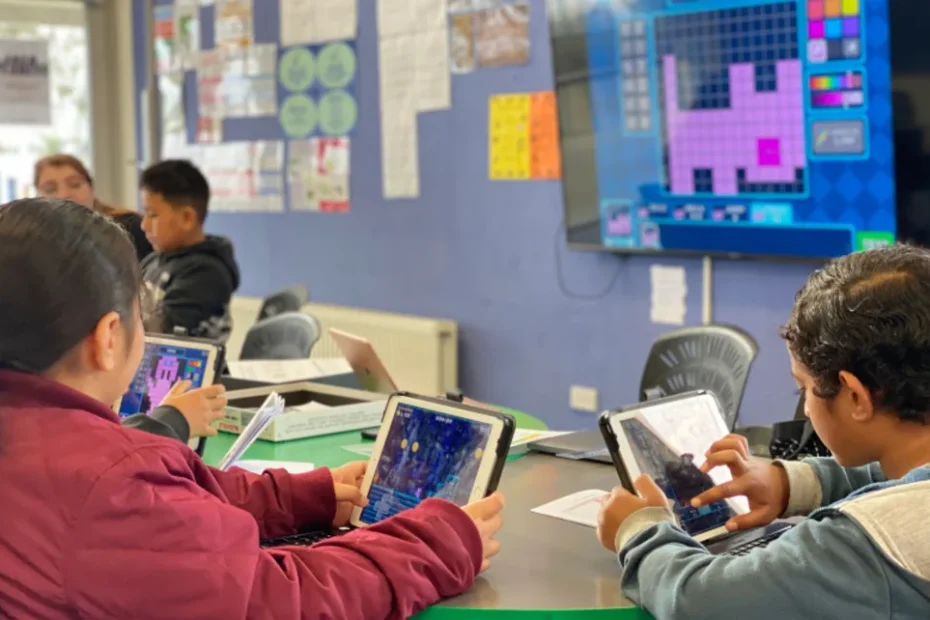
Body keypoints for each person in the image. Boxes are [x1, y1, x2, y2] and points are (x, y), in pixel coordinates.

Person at [0, 198, 505, 618]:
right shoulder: (104, 480)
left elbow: (171, 505)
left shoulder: (59, 451)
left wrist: (306, 496)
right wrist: (436, 544)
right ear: (109, 338)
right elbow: (281, 599)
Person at [596, 245, 930, 619]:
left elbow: (701, 600)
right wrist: (789, 483)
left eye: (802, 388)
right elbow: (900, 479)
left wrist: (639, 530)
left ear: (855, 396)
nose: (805, 405)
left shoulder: (866, 543)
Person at [139, 159, 239, 342]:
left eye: (152, 214)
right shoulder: (152, 261)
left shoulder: (206, 274)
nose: (144, 225)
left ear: (187, 218)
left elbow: (160, 331)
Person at [34, 154, 153, 260]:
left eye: (75, 185)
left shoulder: (128, 226)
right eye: (50, 189)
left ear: (91, 188)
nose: (64, 194)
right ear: (37, 197)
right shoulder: (32, 240)